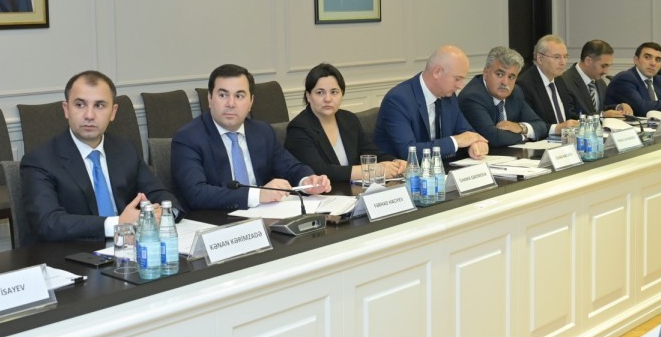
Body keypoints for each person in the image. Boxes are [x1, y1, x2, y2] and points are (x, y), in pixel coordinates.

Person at [20, 71, 178, 244]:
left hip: (128, 248)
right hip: (72, 253)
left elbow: (157, 192)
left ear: (113, 112)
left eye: (99, 105)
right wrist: (118, 223)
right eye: (80, 105)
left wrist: (164, 213)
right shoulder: (40, 160)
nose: (89, 115)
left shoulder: (124, 149)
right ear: (66, 109)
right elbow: (49, 223)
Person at [171, 64, 331, 210]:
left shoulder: (262, 132)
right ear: (210, 98)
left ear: (251, 102)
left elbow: (291, 167)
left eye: (239, 96)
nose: (231, 103)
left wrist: (307, 182)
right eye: (223, 95)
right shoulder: (188, 138)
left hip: (265, 216)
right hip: (216, 221)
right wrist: (258, 194)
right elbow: (197, 194)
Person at [284, 63, 406, 184]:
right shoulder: (299, 128)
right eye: (320, 92)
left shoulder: (349, 119)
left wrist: (396, 162)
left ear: (342, 94)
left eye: (334, 92)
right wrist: (371, 171)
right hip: (322, 194)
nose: (328, 99)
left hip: (352, 191)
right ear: (308, 96)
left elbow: (371, 153)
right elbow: (319, 171)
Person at [373, 45, 490, 160]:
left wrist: (474, 145)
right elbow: (408, 152)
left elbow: (466, 132)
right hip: (403, 170)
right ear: (437, 72)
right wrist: (455, 141)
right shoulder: (398, 100)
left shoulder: (448, 96)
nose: (460, 86)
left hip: (440, 168)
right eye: (457, 79)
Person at [457, 47, 547, 147]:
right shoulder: (472, 97)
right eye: (499, 74)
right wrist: (524, 137)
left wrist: (520, 127)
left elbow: (541, 126)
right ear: (486, 73)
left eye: (511, 77)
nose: (505, 82)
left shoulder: (515, 92)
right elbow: (493, 138)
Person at [515, 35, 580, 137]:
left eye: (565, 57)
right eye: (557, 57)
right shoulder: (524, 85)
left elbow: (569, 116)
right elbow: (531, 124)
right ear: (540, 59)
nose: (563, 62)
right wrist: (556, 128)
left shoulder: (559, 80)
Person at [605, 43, 661, 116]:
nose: (653, 63)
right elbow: (643, 109)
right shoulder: (625, 79)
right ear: (636, 60)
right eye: (647, 57)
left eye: (658, 60)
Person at [560, 39, 633, 117]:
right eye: (603, 66)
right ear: (588, 61)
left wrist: (617, 107)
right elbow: (570, 117)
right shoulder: (564, 82)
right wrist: (601, 115)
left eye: (608, 66)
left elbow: (601, 108)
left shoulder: (600, 82)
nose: (606, 71)